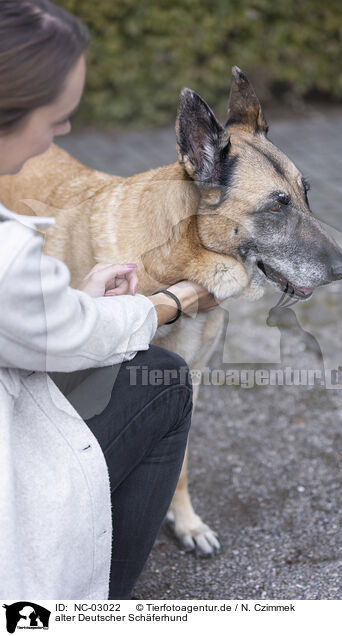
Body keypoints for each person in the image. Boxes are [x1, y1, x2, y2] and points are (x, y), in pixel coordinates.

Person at [0, 0, 219, 600]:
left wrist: (70, 298)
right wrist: (169, 303)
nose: (64, 134)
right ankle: (97, 599)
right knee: (166, 381)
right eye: (58, 117)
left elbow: (26, 321)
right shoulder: (8, 252)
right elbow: (66, 337)